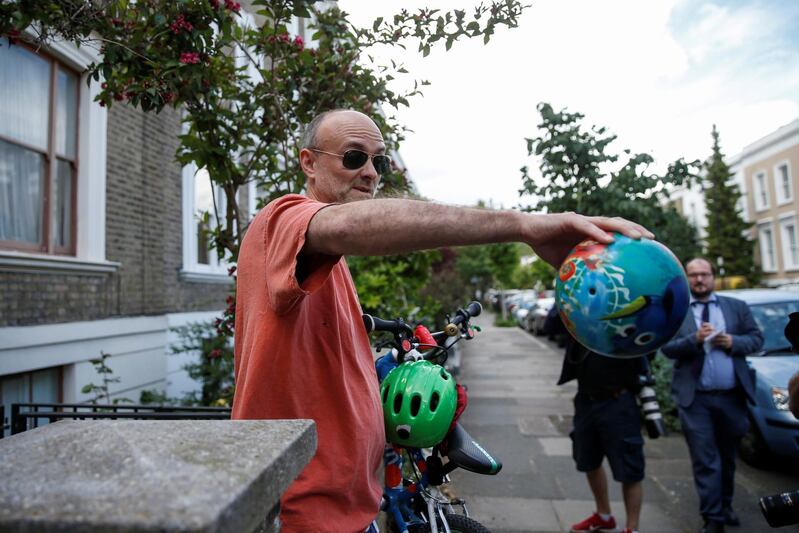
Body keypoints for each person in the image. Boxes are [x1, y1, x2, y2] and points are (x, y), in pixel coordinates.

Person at [231, 108, 653, 533]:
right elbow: (345, 227)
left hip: (348, 508)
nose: (371, 173)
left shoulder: (329, 264)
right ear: (309, 162)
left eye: (379, 161)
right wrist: (524, 225)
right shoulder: (281, 220)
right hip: (299, 515)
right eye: (354, 157)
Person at [660, 257, 763, 533]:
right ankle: (712, 517)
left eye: (704, 274)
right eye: (693, 275)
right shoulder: (678, 311)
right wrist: (693, 340)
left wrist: (732, 341)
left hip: (732, 397)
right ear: (687, 279)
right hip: (696, 400)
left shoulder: (736, 307)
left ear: (713, 276)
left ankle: (725, 505)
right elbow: (667, 348)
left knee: (728, 458)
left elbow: (756, 339)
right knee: (706, 460)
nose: (699, 280)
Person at [557, 334, 648, 533]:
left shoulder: (624, 316)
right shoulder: (582, 317)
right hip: (586, 401)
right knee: (588, 460)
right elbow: (552, 325)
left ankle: (632, 529)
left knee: (629, 467)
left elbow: (649, 348)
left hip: (618, 401)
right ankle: (603, 515)